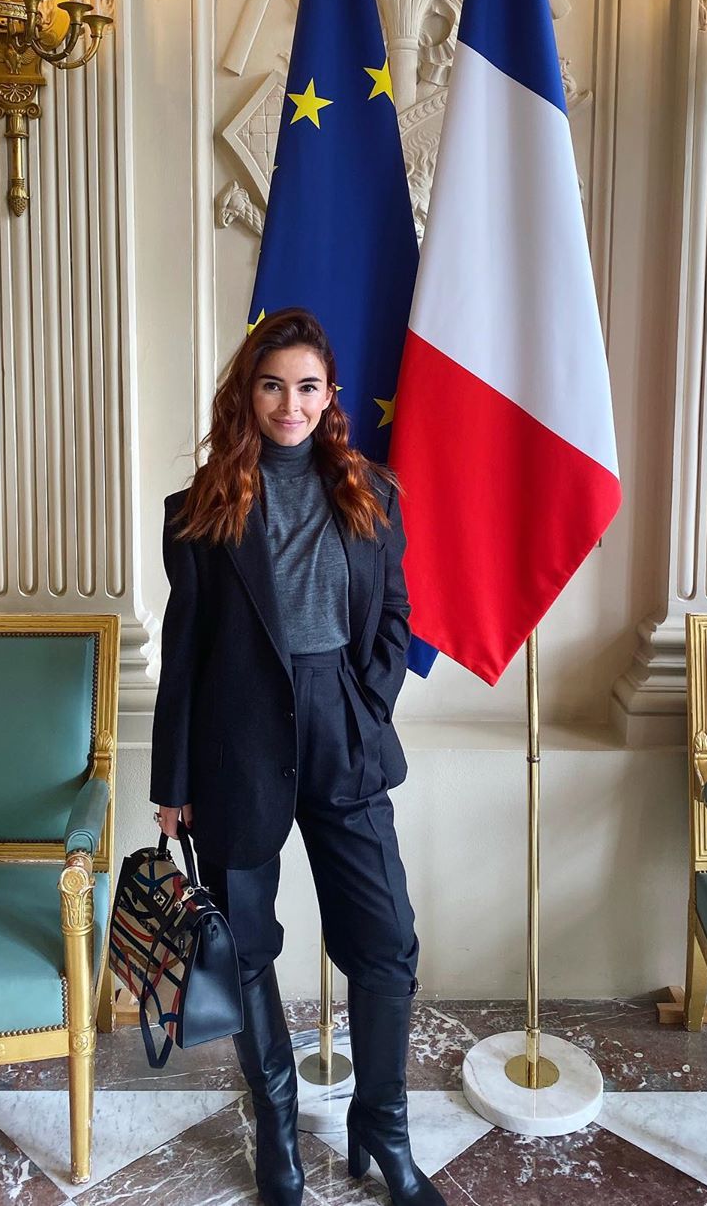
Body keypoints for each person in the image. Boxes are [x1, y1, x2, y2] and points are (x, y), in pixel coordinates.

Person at [150, 307, 444, 1206]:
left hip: (343, 734)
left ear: (330, 395)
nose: (290, 403)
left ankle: (382, 1125)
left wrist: (366, 703)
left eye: (307, 386)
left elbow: (394, 613)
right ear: (248, 393)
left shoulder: (372, 492)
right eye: (272, 385)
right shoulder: (199, 511)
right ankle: (275, 1118)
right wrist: (173, 783)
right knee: (245, 947)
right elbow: (185, 653)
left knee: (387, 940)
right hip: (238, 747)